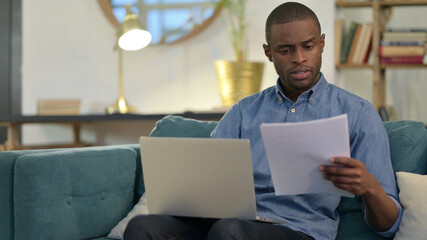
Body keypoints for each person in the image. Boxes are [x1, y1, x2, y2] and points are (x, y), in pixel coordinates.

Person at [124, 2, 401, 240]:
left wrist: (369, 187)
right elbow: (207, 182)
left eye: (308, 46)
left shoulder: (358, 114)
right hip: (231, 223)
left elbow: (389, 226)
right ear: (269, 53)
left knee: (228, 231)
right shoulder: (244, 112)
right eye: (286, 50)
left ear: (322, 44)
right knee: (143, 227)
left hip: (299, 230)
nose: (300, 58)